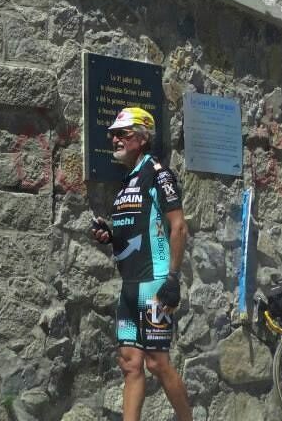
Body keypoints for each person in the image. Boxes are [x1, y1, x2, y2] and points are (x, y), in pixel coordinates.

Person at [91, 106, 191, 421]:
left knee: (156, 362)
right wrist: (110, 235)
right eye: (112, 134)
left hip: (155, 285)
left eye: (122, 133)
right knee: (130, 363)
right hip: (130, 287)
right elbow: (134, 233)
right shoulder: (128, 180)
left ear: (143, 138)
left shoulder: (158, 173)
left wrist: (173, 279)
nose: (114, 138)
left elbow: (179, 226)